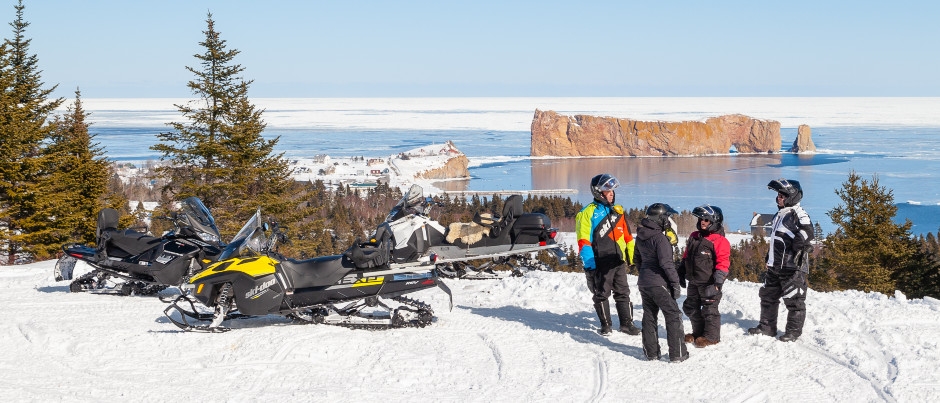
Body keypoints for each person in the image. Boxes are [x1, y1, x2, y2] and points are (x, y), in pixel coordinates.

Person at [748, 178, 814, 342]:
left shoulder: (798, 213)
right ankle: (766, 327)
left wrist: (800, 243)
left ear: (792, 196)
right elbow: (777, 239)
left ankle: (793, 332)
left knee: (794, 300)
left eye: (783, 195)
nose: (779, 197)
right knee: (767, 296)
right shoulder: (780, 214)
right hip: (775, 265)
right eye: (778, 194)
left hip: (792, 266)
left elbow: (808, 231)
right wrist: (768, 258)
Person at [575, 174, 640, 336]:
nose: (611, 193)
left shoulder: (618, 212)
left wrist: (632, 258)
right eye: (607, 190)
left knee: (623, 292)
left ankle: (626, 324)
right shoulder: (587, 213)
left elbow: (627, 237)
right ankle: (606, 325)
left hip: (618, 260)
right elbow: (583, 241)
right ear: (598, 192)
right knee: (601, 292)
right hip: (600, 261)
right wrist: (590, 264)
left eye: (612, 190)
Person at [635, 203, 688, 362]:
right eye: (668, 217)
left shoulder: (641, 235)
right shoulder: (660, 238)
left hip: (644, 282)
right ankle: (678, 353)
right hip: (659, 282)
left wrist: (645, 273)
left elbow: (637, 259)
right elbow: (667, 264)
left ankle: (651, 353)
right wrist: (675, 283)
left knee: (649, 315)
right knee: (673, 314)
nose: (669, 221)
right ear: (661, 219)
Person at [680, 204, 731, 348]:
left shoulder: (719, 241)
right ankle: (697, 333)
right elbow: (686, 256)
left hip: (710, 282)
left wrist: (718, 282)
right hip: (694, 281)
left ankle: (712, 337)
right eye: (701, 219)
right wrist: (681, 271)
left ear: (714, 221)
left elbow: (723, 262)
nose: (702, 222)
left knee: (710, 310)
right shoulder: (694, 236)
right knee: (691, 307)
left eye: (706, 220)